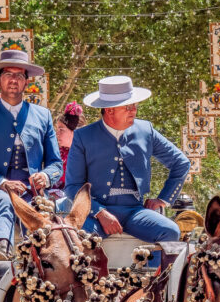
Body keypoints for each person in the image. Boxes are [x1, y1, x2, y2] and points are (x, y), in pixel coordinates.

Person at [0, 49, 63, 261]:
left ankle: (44, 268)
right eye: (8, 74)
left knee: (40, 215)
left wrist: (45, 176)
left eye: (19, 75)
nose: (14, 80)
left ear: (27, 82)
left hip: (31, 191)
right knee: (5, 202)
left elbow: (55, 164)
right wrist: (1, 182)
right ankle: (0, 260)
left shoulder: (43, 115)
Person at [65, 75, 189, 244]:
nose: (134, 111)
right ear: (109, 110)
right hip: (96, 213)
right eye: (129, 107)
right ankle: (90, 272)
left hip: (135, 212)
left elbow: (181, 162)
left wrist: (164, 199)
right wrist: (100, 212)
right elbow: (73, 187)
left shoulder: (146, 130)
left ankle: (156, 271)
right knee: (75, 236)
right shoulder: (83, 136)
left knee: (170, 231)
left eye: (135, 106)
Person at [54, 102, 85, 193]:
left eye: (61, 130)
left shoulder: (87, 155)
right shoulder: (57, 152)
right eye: (57, 129)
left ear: (75, 131)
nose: (57, 133)